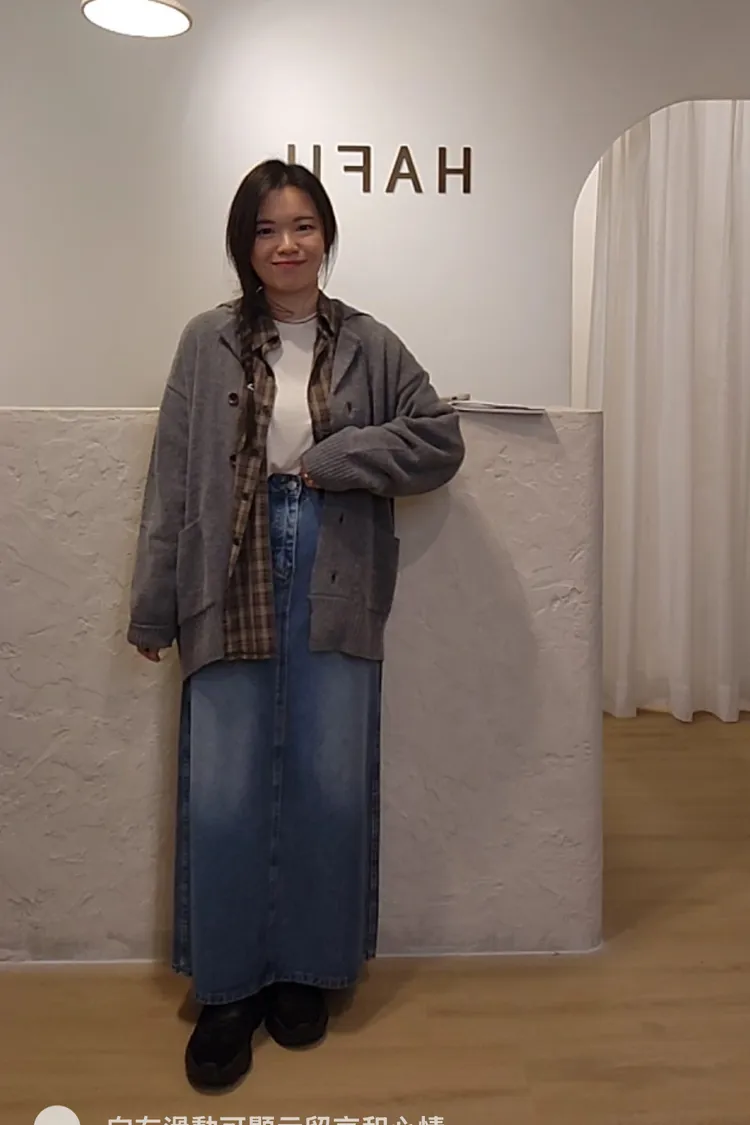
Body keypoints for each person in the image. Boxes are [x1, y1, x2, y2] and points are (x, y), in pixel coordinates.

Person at [127, 159, 465, 1092]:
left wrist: (341, 455)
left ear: (326, 236)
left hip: (335, 565)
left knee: (328, 776)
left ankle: (306, 971)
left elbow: (439, 439)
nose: (287, 244)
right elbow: (171, 477)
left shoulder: (370, 342)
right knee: (225, 786)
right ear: (245, 244)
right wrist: (154, 602)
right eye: (268, 229)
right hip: (225, 569)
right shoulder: (206, 341)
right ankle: (230, 988)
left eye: (304, 226)